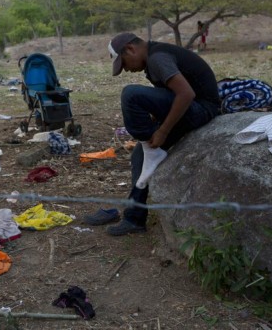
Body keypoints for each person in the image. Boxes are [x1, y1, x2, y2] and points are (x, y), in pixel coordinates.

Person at [83, 32, 221, 236]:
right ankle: (134, 218)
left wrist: (163, 131)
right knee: (140, 155)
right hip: (192, 109)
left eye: (125, 64)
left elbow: (185, 94)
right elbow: (174, 95)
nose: (127, 69)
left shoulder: (158, 58)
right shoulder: (154, 58)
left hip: (202, 109)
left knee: (130, 94)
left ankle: (148, 145)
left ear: (131, 49)